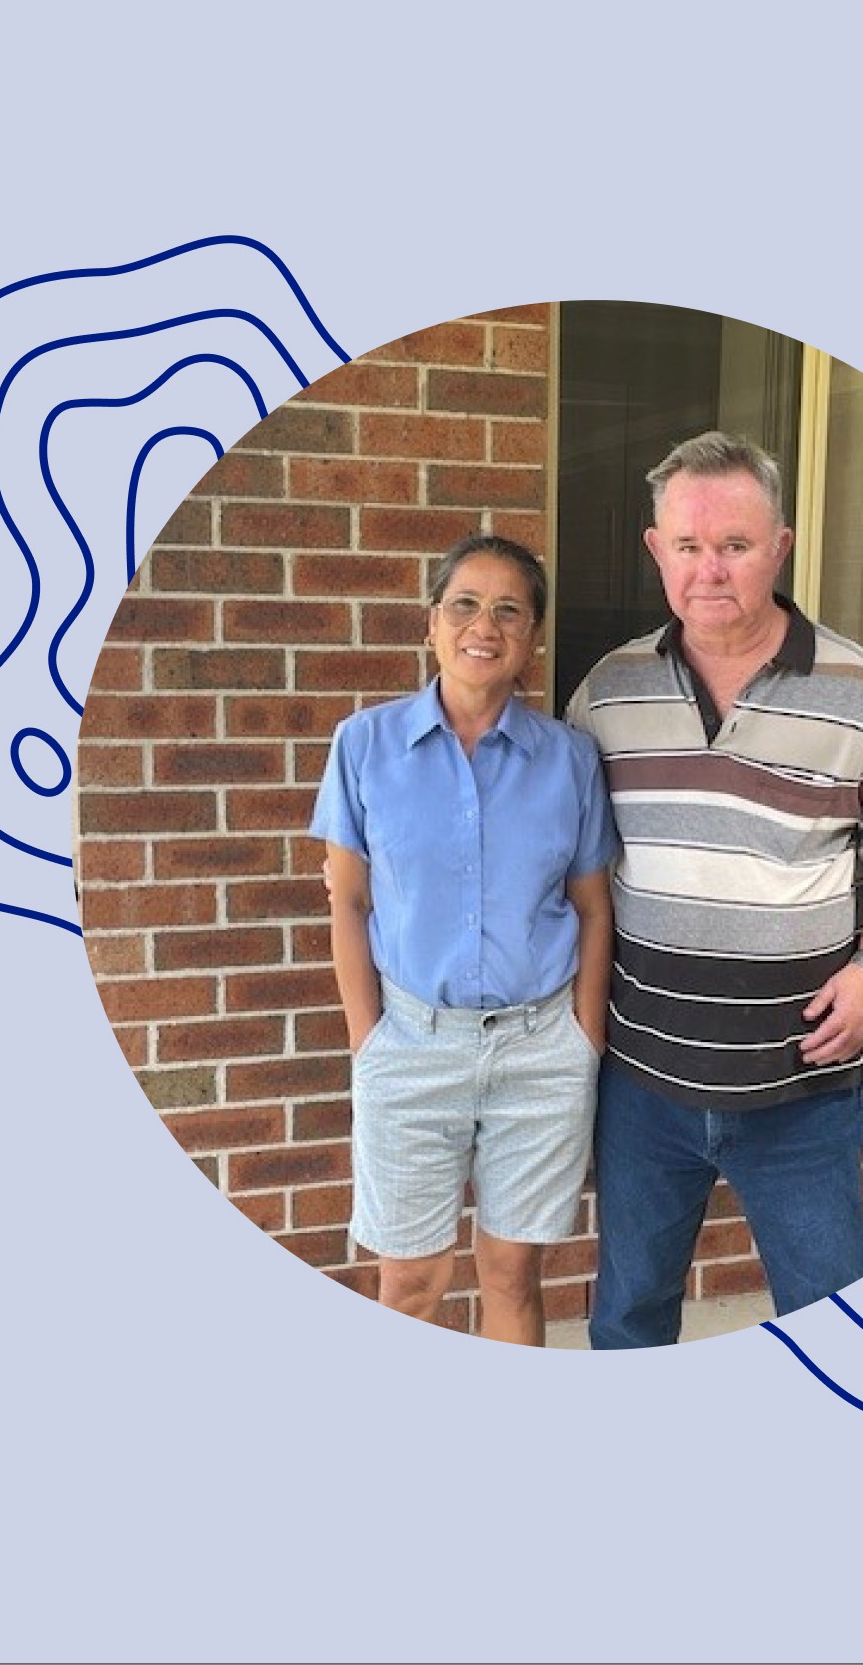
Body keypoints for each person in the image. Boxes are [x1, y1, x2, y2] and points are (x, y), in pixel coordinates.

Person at [565, 431, 863, 1349]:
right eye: (686, 546)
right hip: (644, 1084)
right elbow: (566, 867)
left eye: (734, 544)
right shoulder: (608, 693)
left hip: (803, 1086)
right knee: (630, 1315)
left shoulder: (855, 687)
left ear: (781, 546)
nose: (710, 569)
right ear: (655, 551)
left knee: (832, 1319)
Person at [310, 534, 616, 1345]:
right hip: (410, 1043)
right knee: (410, 1279)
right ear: (431, 623)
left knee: (512, 1273)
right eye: (465, 605)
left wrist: (585, 1038)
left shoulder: (569, 760)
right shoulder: (364, 746)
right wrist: (366, 1038)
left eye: (511, 609)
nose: (486, 625)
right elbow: (347, 902)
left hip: (539, 1050)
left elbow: (592, 907)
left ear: (534, 638)